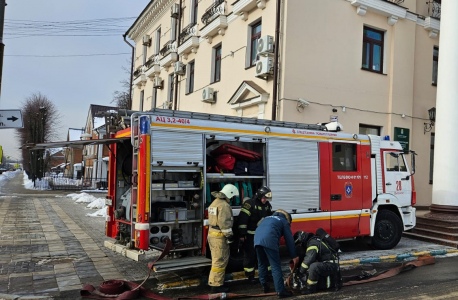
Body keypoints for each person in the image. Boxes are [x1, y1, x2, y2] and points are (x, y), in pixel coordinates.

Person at [254, 209, 299, 299]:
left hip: (257, 240)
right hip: (269, 241)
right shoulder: (283, 221)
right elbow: (289, 241)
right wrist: (294, 255)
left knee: (262, 263)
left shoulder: (266, 218)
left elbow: (258, 226)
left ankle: (264, 286)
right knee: (275, 266)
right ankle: (280, 291)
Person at [207, 184, 239, 293]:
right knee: (219, 261)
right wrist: (230, 236)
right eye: (232, 196)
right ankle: (216, 286)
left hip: (212, 235)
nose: (232, 198)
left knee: (216, 260)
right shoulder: (224, 205)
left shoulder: (214, 202)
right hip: (219, 237)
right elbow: (225, 223)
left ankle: (216, 282)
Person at [238, 186, 273, 283]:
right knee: (250, 256)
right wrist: (242, 234)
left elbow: (270, 218)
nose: (265, 200)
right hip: (250, 236)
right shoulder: (249, 204)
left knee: (265, 255)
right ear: (259, 196)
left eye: (267, 199)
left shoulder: (266, 205)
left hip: (263, 235)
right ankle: (250, 276)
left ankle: (268, 274)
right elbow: (243, 219)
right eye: (264, 198)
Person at [296, 228, 340, 295]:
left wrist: (300, 272)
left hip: (330, 264)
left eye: (300, 244)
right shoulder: (314, 240)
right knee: (313, 266)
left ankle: (310, 289)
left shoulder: (312, 243)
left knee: (314, 267)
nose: (300, 246)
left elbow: (309, 259)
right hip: (330, 263)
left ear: (302, 240)